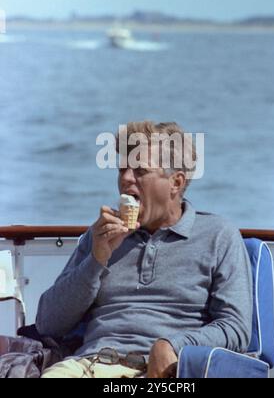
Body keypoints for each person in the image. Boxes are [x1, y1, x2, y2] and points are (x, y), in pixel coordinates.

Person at [37, 121, 253, 378]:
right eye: (122, 170)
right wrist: (96, 259)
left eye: (140, 170)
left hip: (163, 371)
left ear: (176, 182)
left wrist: (172, 346)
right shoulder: (99, 237)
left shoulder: (218, 236)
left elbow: (236, 328)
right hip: (87, 364)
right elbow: (48, 323)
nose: (126, 178)